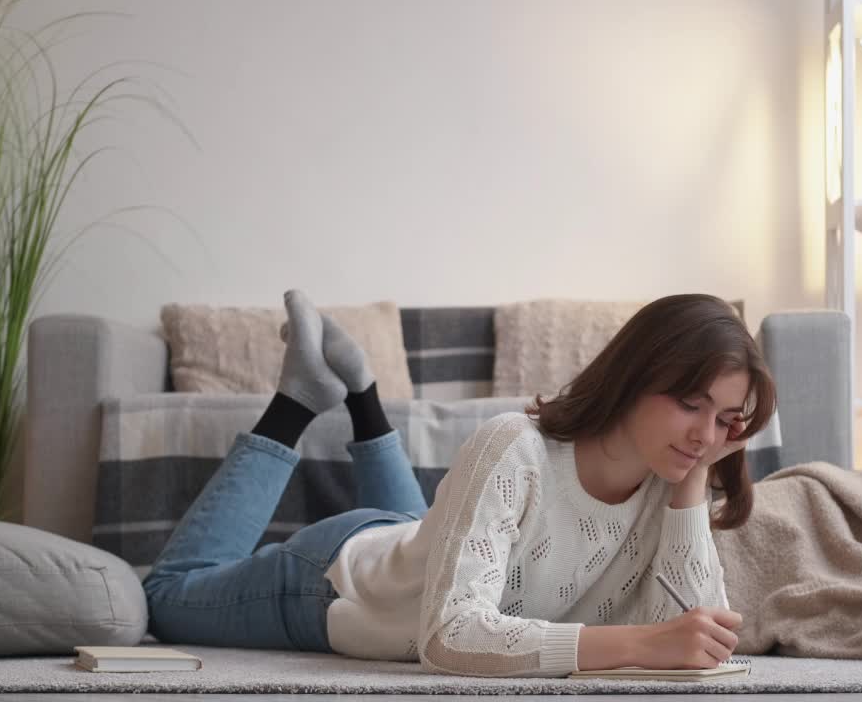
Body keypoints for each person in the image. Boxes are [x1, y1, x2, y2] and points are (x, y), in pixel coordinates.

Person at [143, 290, 777, 677]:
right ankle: (299, 398)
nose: (705, 435)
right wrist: (640, 643)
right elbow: (449, 636)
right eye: (691, 404)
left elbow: (694, 642)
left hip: (418, 546)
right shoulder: (516, 450)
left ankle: (363, 391)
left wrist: (694, 481)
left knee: (422, 540)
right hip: (335, 581)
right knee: (167, 599)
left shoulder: (673, 479)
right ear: (637, 376)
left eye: (726, 420)